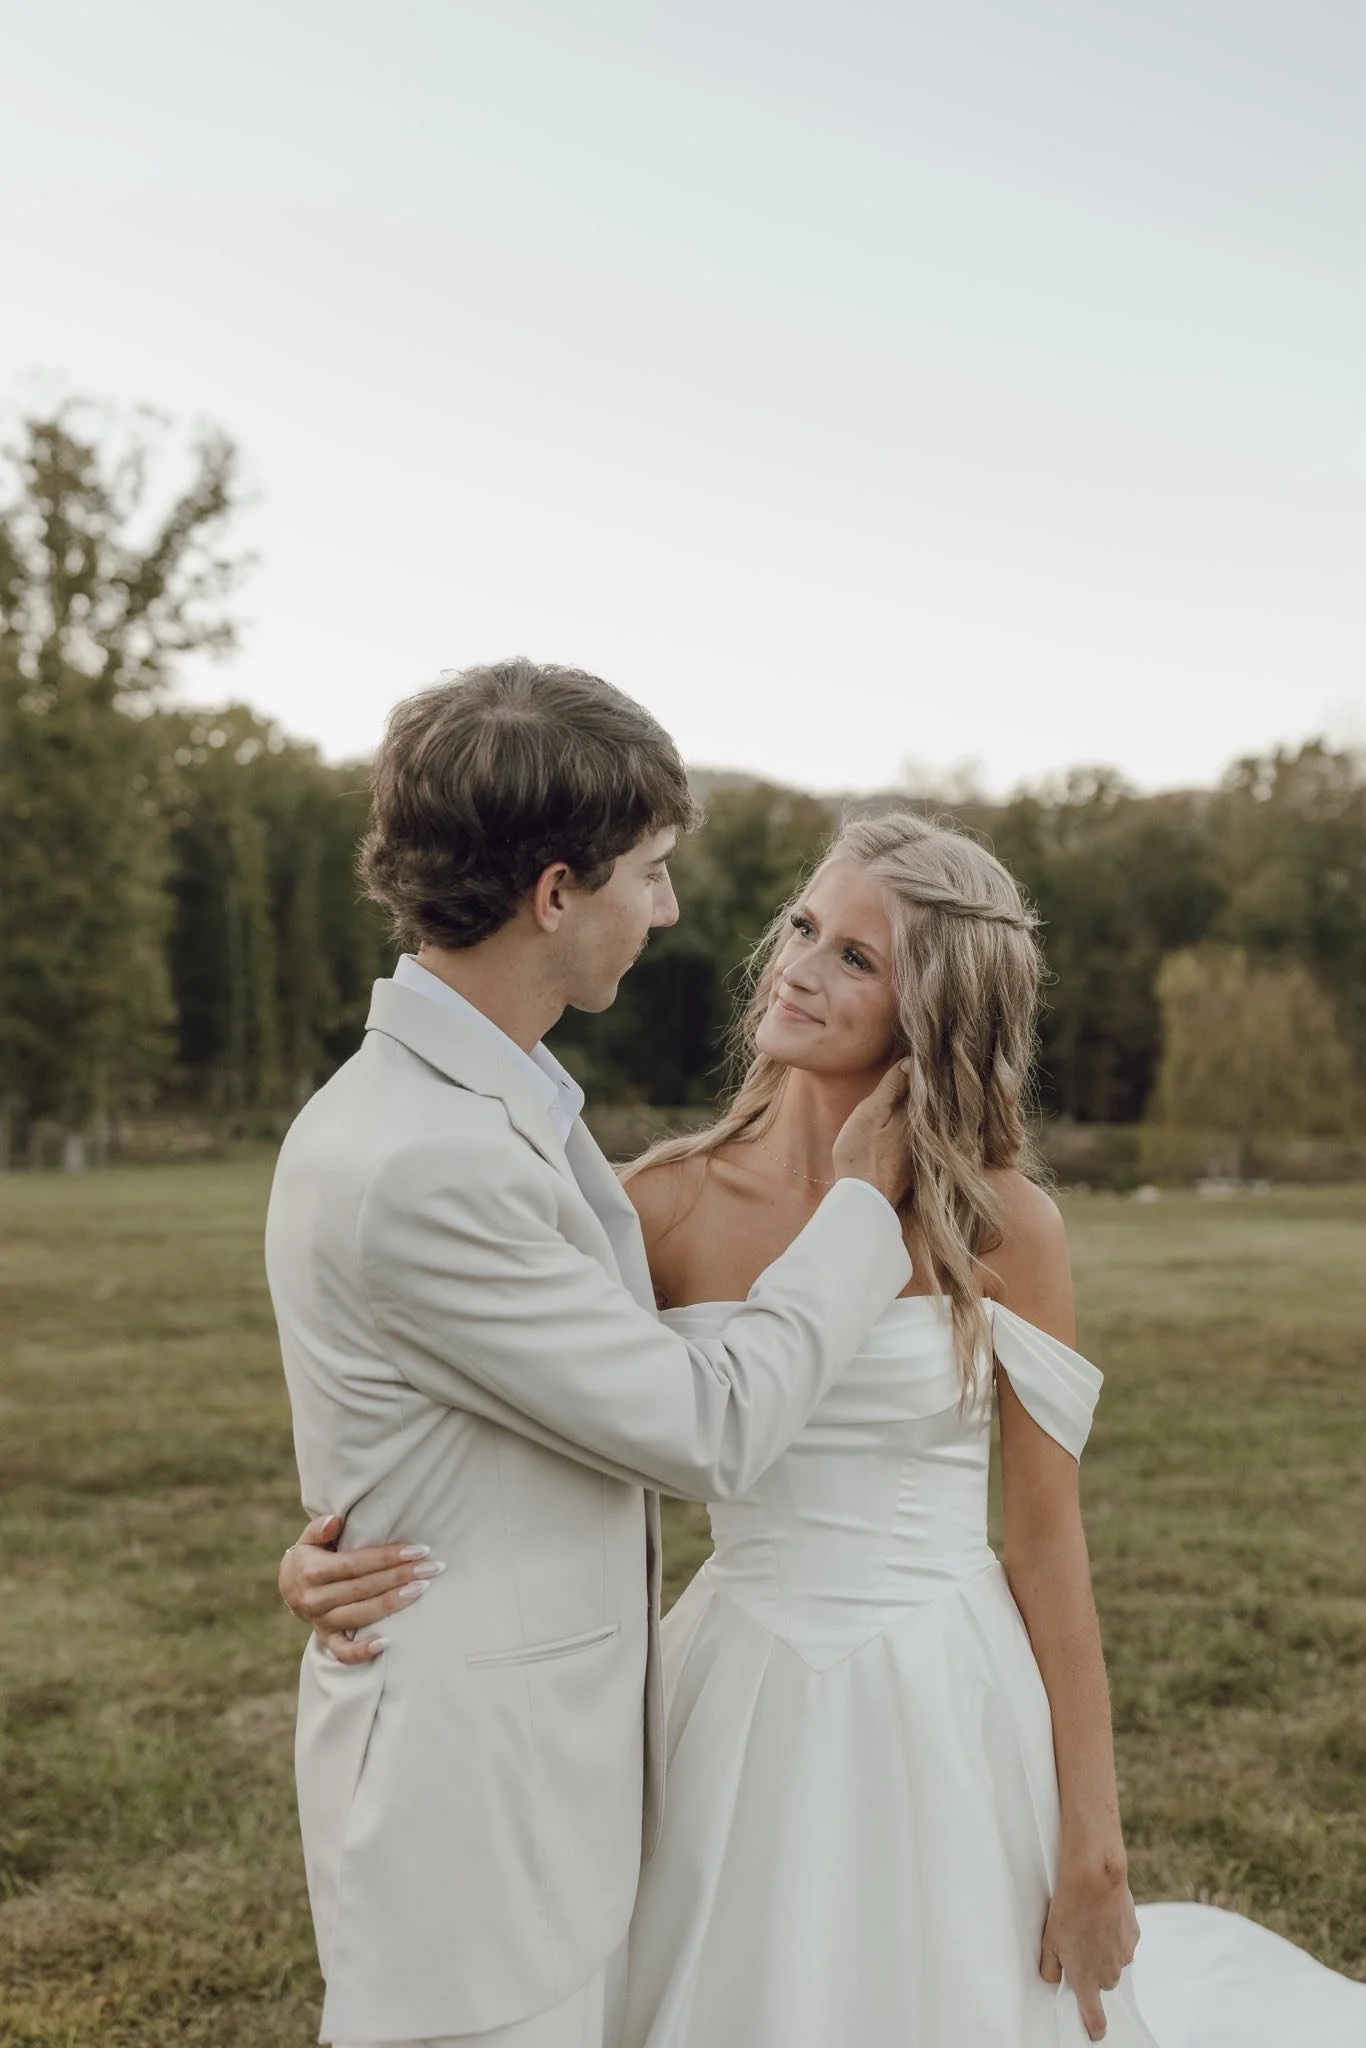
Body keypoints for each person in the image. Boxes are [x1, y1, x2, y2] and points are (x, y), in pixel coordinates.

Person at [288, 809, 1366, 2048]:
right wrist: (319, 1549)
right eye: (804, 925)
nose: (800, 962)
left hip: (946, 1694)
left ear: (933, 1012)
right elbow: (517, 1406)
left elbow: (1045, 1539)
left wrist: (1093, 1834)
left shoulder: (1005, 1226)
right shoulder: (662, 1203)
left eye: (857, 956)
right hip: (726, 1689)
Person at [264, 659, 920, 2048]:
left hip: (529, 1779)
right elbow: (704, 1429)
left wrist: (324, 1541)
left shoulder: (483, 1101)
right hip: (476, 1813)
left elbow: (441, 1414)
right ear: (554, 892)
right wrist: (861, 1206)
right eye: (649, 871)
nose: (669, 909)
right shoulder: (430, 1157)